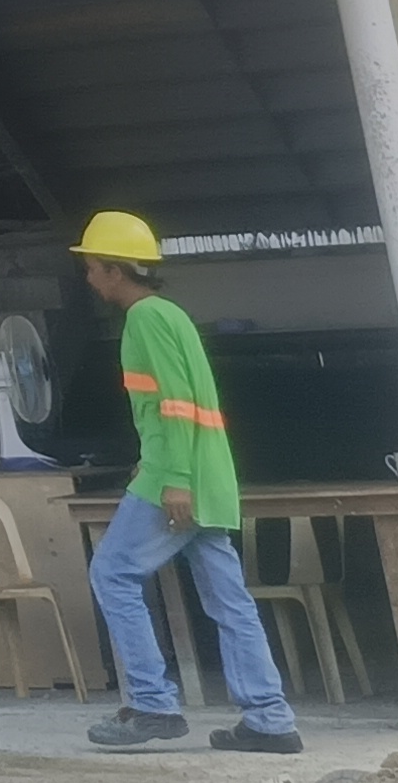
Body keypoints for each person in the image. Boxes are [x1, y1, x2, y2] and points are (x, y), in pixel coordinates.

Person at [73, 212, 299, 754]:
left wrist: (172, 478)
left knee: (112, 572)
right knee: (230, 601)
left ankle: (153, 705)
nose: (88, 279)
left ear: (113, 270)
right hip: (207, 475)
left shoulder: (145, 319)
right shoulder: (169, 314)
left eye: (91, 268)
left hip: (178, 480)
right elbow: (180, 409)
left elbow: (174, 403)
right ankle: (269, 718)